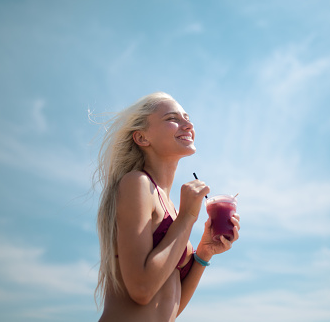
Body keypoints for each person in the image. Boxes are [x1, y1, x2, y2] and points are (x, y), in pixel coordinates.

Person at [93, 92, 241, 321]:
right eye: (173, 118)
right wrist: (187, 216)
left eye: (187, 118)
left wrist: (203, 253)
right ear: (142, 138)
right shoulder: (137, 183)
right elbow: (142, 290)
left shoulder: (170, 205)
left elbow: (169, 308)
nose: (188, 124)